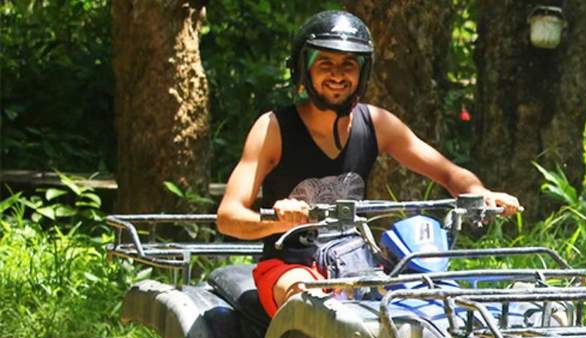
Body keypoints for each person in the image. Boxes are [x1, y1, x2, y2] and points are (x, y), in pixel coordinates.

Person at [215, 10, 521, 317]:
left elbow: (449, 172)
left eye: (349, 64)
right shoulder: (272, 128)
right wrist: (279, 221)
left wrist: (481, 193)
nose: (338, 74)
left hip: (356, 263)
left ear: (363, 72)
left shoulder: (376, 123)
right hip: (289, 266)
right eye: (326, 64)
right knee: (307, 302)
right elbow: (228, 216)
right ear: (303, 69)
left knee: (431, 300)